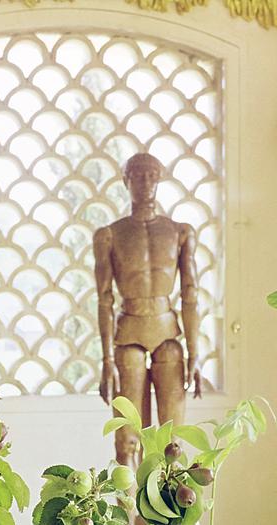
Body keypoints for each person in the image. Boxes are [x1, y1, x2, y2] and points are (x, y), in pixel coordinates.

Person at [93, 152, 202, 472]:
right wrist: (106, 361)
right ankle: (127, 520)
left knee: (172, 445)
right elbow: (104, 299)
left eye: (152, 175)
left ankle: (169, 521)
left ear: (160, 179)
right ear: (125, 181)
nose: (145, 182)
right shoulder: (110, 235)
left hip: (168, 332)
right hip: (128, 336)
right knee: (126, 444)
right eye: (137, 175)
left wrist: (195, 352)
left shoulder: (180, 232)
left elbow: (190, 293)